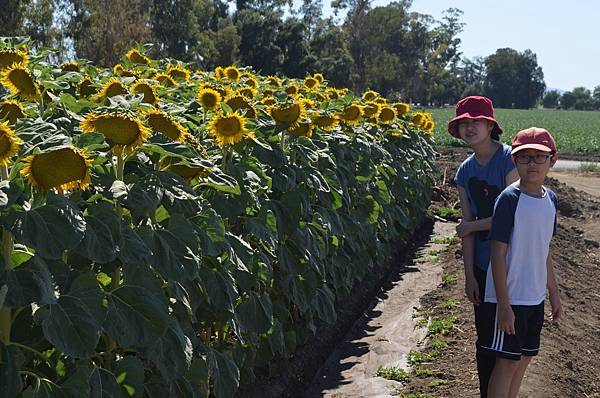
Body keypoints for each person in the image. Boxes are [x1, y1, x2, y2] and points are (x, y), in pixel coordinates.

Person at [481, 127, 562, 398]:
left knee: (523, 359)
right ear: (514, 160)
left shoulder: (550, 199)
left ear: (552, 160)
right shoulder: (508, 199)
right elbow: (497, 254)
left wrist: (553, 292)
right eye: (524, 157)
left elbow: (544, 250)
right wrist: (503, 306)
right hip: (509, 297)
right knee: (506, 362)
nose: (532, 164)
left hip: (534, 297)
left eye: (539, 157)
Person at [448, 95, 519, 397]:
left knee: (508, 339)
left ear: (490, 125)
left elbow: (513, 215)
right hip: (481, 263)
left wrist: (472, 226)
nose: (469, 127)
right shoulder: (464, 171)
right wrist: (469, 276)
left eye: (475, 121)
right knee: (484, 340)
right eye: (464, 122)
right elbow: (466, 229)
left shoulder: (508, 159)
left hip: (508, 263)